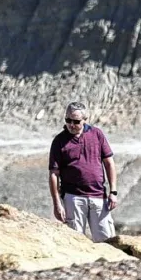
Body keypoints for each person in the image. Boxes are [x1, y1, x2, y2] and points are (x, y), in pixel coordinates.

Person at [48, 102, 118, 242]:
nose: (71, 125)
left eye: (76, 121)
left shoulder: (97, 134)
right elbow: (53, 174)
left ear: (85, 120)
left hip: (98, 196)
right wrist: (57, 204)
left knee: (107, 241)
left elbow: (109, 163)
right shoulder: (59, 141)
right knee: (75, 241)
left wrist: (113, 192)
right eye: (68, 120)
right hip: (73, 198)